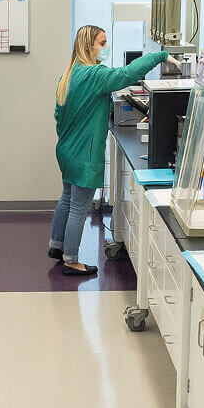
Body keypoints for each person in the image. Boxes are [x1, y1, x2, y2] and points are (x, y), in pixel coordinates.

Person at [51, 26, 168, 275]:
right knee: (78, 207)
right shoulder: (95, 75)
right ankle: (71, 259)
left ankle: (57, 245)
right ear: (88, 46)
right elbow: (127, 75)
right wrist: (160, 56)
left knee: (67, 199)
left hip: (66, 150)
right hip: (85, 154)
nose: (105, 47)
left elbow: (58, 116)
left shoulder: (69, 75)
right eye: (102, 43)